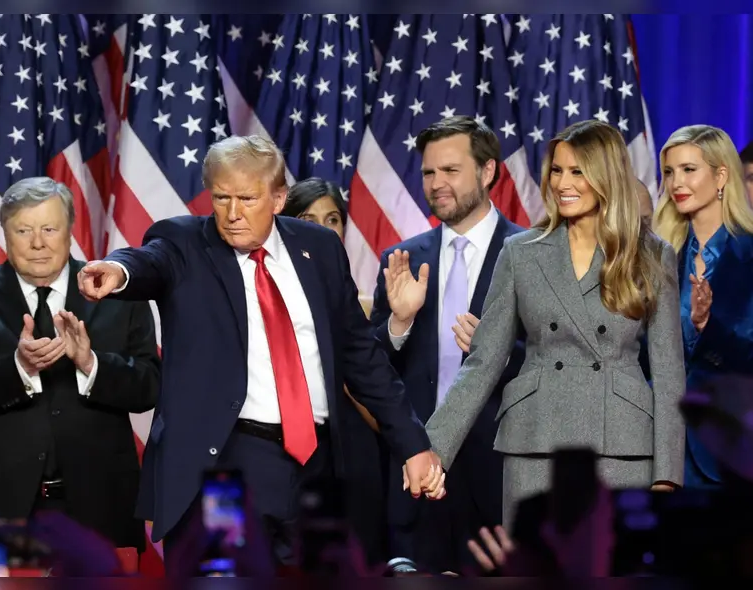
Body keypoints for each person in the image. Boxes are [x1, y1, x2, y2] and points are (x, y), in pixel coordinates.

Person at [76, 135, 445, 572]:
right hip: (226, 470)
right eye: (221, 198)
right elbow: (148, 262)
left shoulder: (320, 249)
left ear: (278, 197)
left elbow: (361, 355)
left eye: (247, 199)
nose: (232, 214)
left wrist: (414, 445)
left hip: (316, 470)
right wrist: (117, 272)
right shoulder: (185, 243)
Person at [423, 119, 686, 529]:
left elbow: (669, 373)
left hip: (621, 445)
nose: (563, 182)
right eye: (558, 170)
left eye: (577, 171)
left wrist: (667, 473)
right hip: (535, 439)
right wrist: (433, 448)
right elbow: (483, 363)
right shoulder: (521, 252)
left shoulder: (651, 254)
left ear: (606, 175)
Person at [0, 177, 160, 551]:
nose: (37, 242)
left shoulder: (115, 292)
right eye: (23, 230)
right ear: (4, 233)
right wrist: (18, 368)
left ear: (70, 230)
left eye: (49, 229)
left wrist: (90, 363)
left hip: (100, 501)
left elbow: (149, 386)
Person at [370, 116, 526, 573]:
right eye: (428, 173)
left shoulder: (533, 251)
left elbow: (556, 362)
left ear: (487, 171)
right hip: (419, 473)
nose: (436, 184)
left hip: (498, 474)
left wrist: (495, 351)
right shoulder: (401, 259)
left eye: (450, 171)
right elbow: (372, 367)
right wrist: (398, 322)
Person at [279, 177, 385, 565]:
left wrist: (400, 324)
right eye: (308, 218)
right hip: (286, 455)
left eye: (332, 219)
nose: (322, 230)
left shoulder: (369, 307)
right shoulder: (265, 303)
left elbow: (383, 387)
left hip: (355, 455)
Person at [653, 124, 753, 491]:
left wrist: (707, 325)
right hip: (660, 447)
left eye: (688, 170)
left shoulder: (749, 255)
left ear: (721, 175)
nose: (676, 182)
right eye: (669, 172)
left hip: (730, 450)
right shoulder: (658, 255)